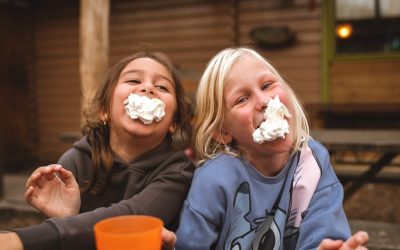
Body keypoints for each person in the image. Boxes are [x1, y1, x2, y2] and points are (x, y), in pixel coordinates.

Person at [174, 47, 369, 250]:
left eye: (267, 85)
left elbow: (324, 236)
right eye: (242, 99)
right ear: (223, 131)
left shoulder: (313, 162)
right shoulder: (214, 179)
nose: (264, 101)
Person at [0, 51, 195, 250]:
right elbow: (63, 238)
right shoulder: (73, 163)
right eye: (134, 80)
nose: (147, 88)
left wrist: (20, 241)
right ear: (105, 110)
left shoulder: (178, 171)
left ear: (174, 122)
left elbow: (132, 217)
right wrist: (66, 217)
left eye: (161, 86)